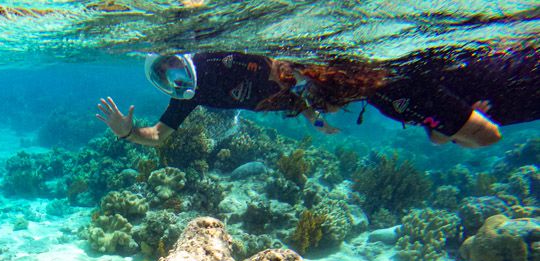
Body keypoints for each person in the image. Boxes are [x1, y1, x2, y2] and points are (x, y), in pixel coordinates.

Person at [98, 46, 538, 149]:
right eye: (164, 79)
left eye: (173, 68)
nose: (174, 81)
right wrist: (126, 133)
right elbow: (159, 135)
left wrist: (454, 119)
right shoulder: (191, 92)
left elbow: (485, 137)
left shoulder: (394, 90)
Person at [296, 44, 539, 148]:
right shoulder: (380, 89)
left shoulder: (396, 94)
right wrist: (459, 127)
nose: (310, 97)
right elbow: (435, 136)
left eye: (313, 89)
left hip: (524, 82)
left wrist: (462, 130)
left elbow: (489, 136)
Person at [95, 51, 338, 149]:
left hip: (302, 79)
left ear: (182, 55)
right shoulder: (187, 95)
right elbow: (159, 136)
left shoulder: (214, 59)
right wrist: (128, 133)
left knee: (340, 88)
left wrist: (310, 86)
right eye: (163, 74)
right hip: (275, 101)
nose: (172, 73)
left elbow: (279, 69)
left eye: (172, 62)